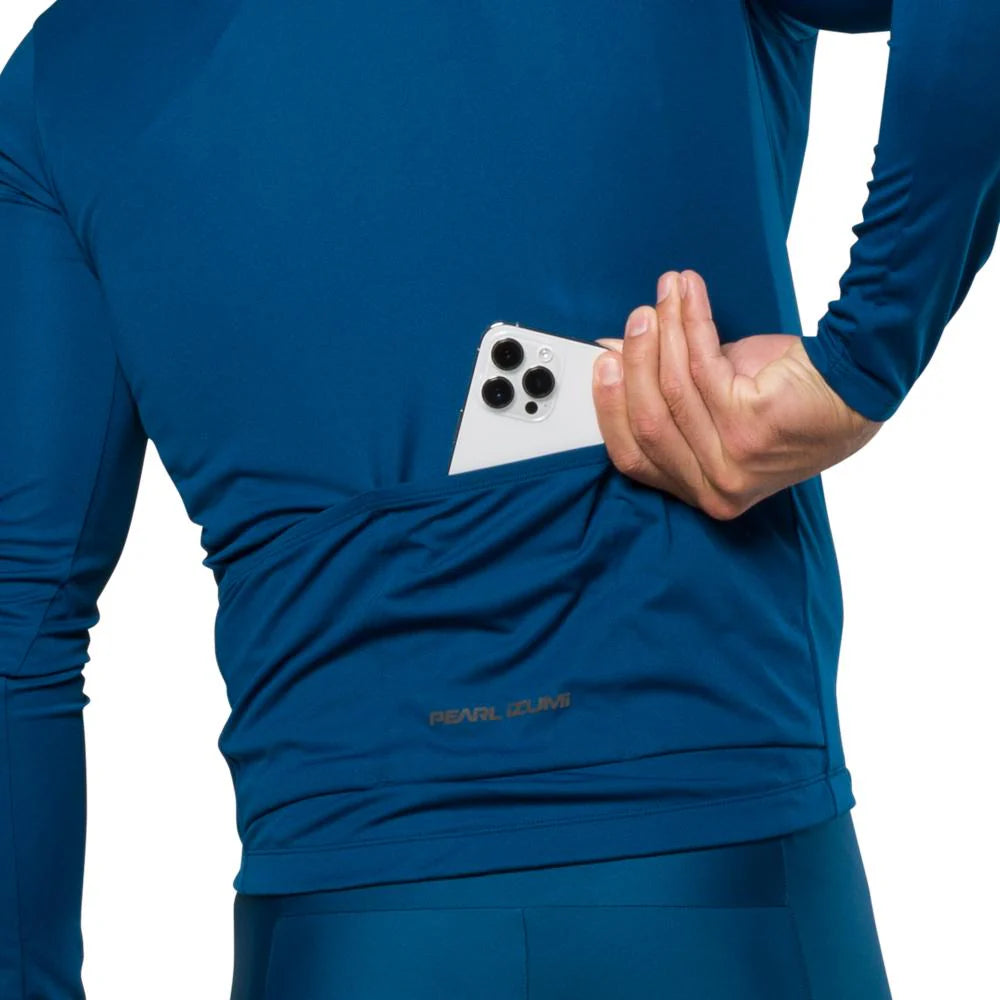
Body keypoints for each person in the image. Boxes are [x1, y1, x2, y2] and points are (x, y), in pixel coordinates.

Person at [1, 1, 997, 997]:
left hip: (340, 929)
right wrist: (866, 355)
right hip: (724, 876)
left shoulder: (69, 78)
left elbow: (21, 628)